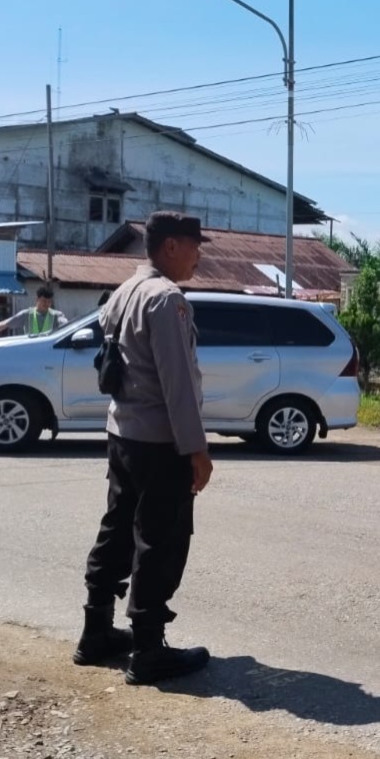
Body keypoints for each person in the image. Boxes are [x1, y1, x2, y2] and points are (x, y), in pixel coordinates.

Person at [75, 211, 214, 686]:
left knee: (118, 528)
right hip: (159, 441)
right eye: (195, 246)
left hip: (123, 434)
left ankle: (96, 631)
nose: (199, 255)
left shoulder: (125, 291)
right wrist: (196, 449)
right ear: (171, 246)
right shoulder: (166, 298)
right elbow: (178, 383)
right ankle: (149, 650)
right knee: (161, 539)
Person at [0, 286, 68, 340]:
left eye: (49, 301)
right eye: (44, 301)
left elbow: (67, 325)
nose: (47, 304)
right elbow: (5, 324)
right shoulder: (27, 314)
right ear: (37, 299)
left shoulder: (57, 315)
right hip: (29, 351)